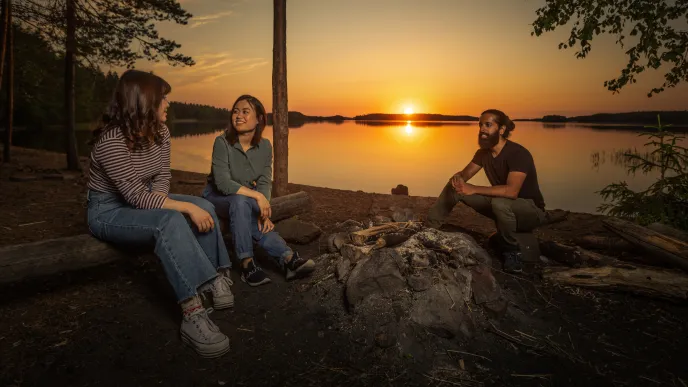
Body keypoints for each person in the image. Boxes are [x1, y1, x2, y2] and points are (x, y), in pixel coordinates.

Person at [86, 69, 234, 358]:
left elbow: (162, 176)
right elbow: (135, 197)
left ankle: (215, 276)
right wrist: (182, 207)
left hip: (145, 198)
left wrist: (180, 203)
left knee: (204, 206)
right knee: (172, 219)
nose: (168, 104)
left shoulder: (161, 132)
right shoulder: (111, 142)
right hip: (107, 209)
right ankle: (192, 313)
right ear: (143, 104)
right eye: (163, 99)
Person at [202, 94, 315, 286]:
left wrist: (264, 211)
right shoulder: (222, 143)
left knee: (252, 216)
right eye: (235, 111)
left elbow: (264, 182)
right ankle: (247, 264)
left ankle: (287, 259)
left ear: (259, 119)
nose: (238, 116)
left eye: (245, 112)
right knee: (240, 203)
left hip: (244, 200)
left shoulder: (265, 146)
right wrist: (257, 198)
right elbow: (222, 183)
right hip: (216, 197)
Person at [427, 109, 547, 273]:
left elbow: (512, 192)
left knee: (500, 203)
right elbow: (465, 174)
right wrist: (458, 178)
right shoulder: (483, 153)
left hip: (531, 211)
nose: (482, 129)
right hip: (502, 205)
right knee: (455, 188)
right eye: (481, 125)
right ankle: (429, 228)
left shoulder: (518, 153)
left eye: (488, 125)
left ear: (502, 129)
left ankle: (512, 252)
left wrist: (473, 189)